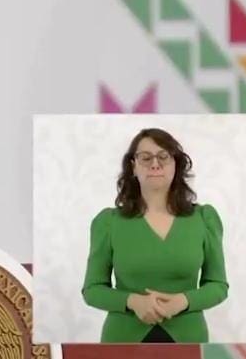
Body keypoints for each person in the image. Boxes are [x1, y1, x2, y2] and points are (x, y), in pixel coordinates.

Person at [81, 128, 228, 343]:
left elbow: (218, 285)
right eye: (145, 157)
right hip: (122, 342)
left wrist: (183, 301)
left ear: (176, 164)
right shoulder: (108, 222)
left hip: (188, 341)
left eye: (163, 157)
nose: (155, 164)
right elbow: (92, 290)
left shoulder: (204, 219)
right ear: (133, 166)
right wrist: (132, 301)